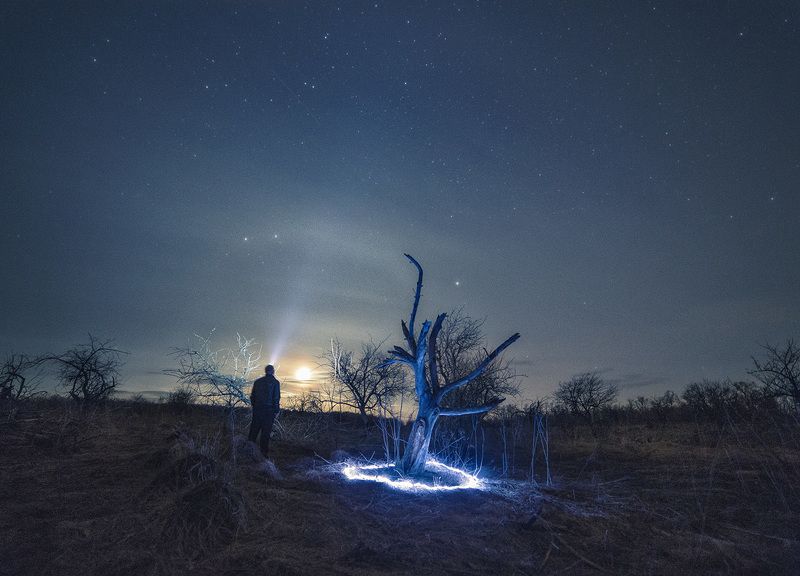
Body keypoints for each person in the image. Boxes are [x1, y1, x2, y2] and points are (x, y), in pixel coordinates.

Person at [248, 364, 280, 457]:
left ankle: (249, 451)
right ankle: (263, 454)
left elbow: (252, 396)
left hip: (258, 410)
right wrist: (276, 410)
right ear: (273, 371)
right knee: (265, 433)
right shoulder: (275, 382)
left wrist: (255, 406)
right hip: (269, 411)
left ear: (265, 371)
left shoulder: (258, 382)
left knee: (254, 431)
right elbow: (276, 398)